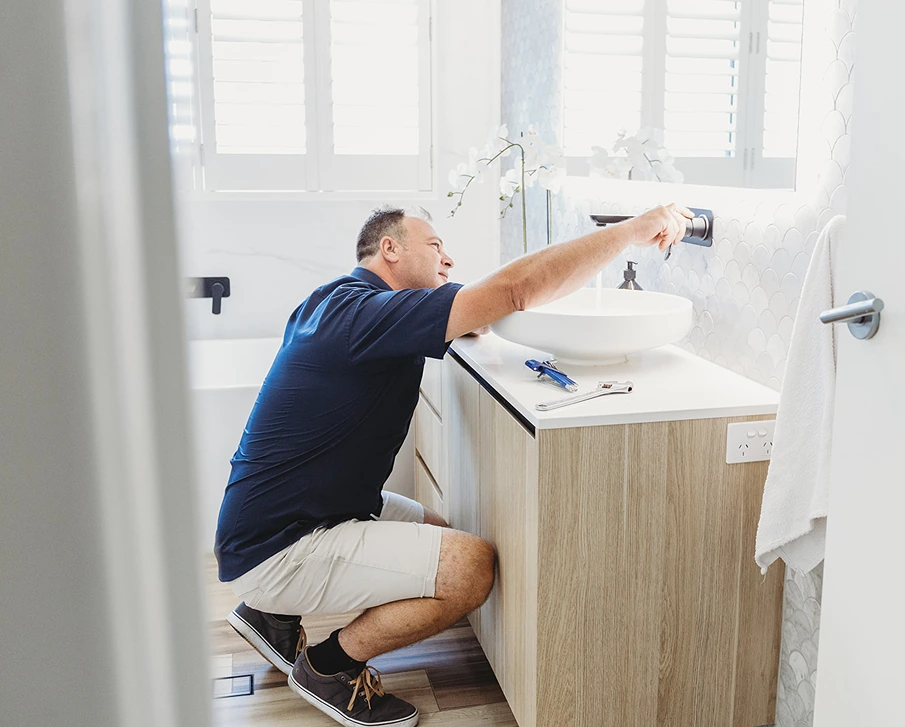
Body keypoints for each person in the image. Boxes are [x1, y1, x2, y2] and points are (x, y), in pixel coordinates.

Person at [214, 202, 693, 727]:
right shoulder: (364, 316)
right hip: (283, 546)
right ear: (390, 249)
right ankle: (330, 666)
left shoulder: (342, 304)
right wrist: (629, 232)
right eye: (435, 246)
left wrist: (466, 315)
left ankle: (271, 615)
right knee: (471, 569)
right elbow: (515, 290)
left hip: (276, 524)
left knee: (438, 532)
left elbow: (471, 314)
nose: (449, 258)